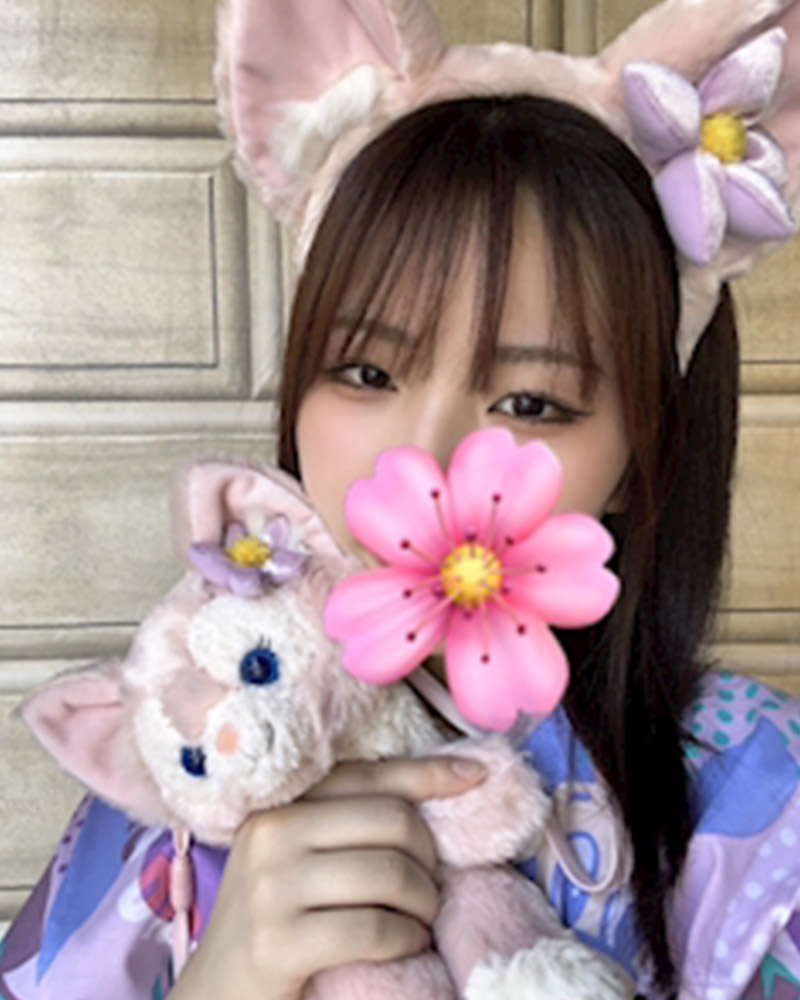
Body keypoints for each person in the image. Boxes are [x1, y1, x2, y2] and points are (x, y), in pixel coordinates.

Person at [3, 1, 800, 998]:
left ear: (644, 454)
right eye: (367, 372)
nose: (420, 460)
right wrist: (225, 976)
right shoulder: (200, 724)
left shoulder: (761, 796)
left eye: (529, 402)